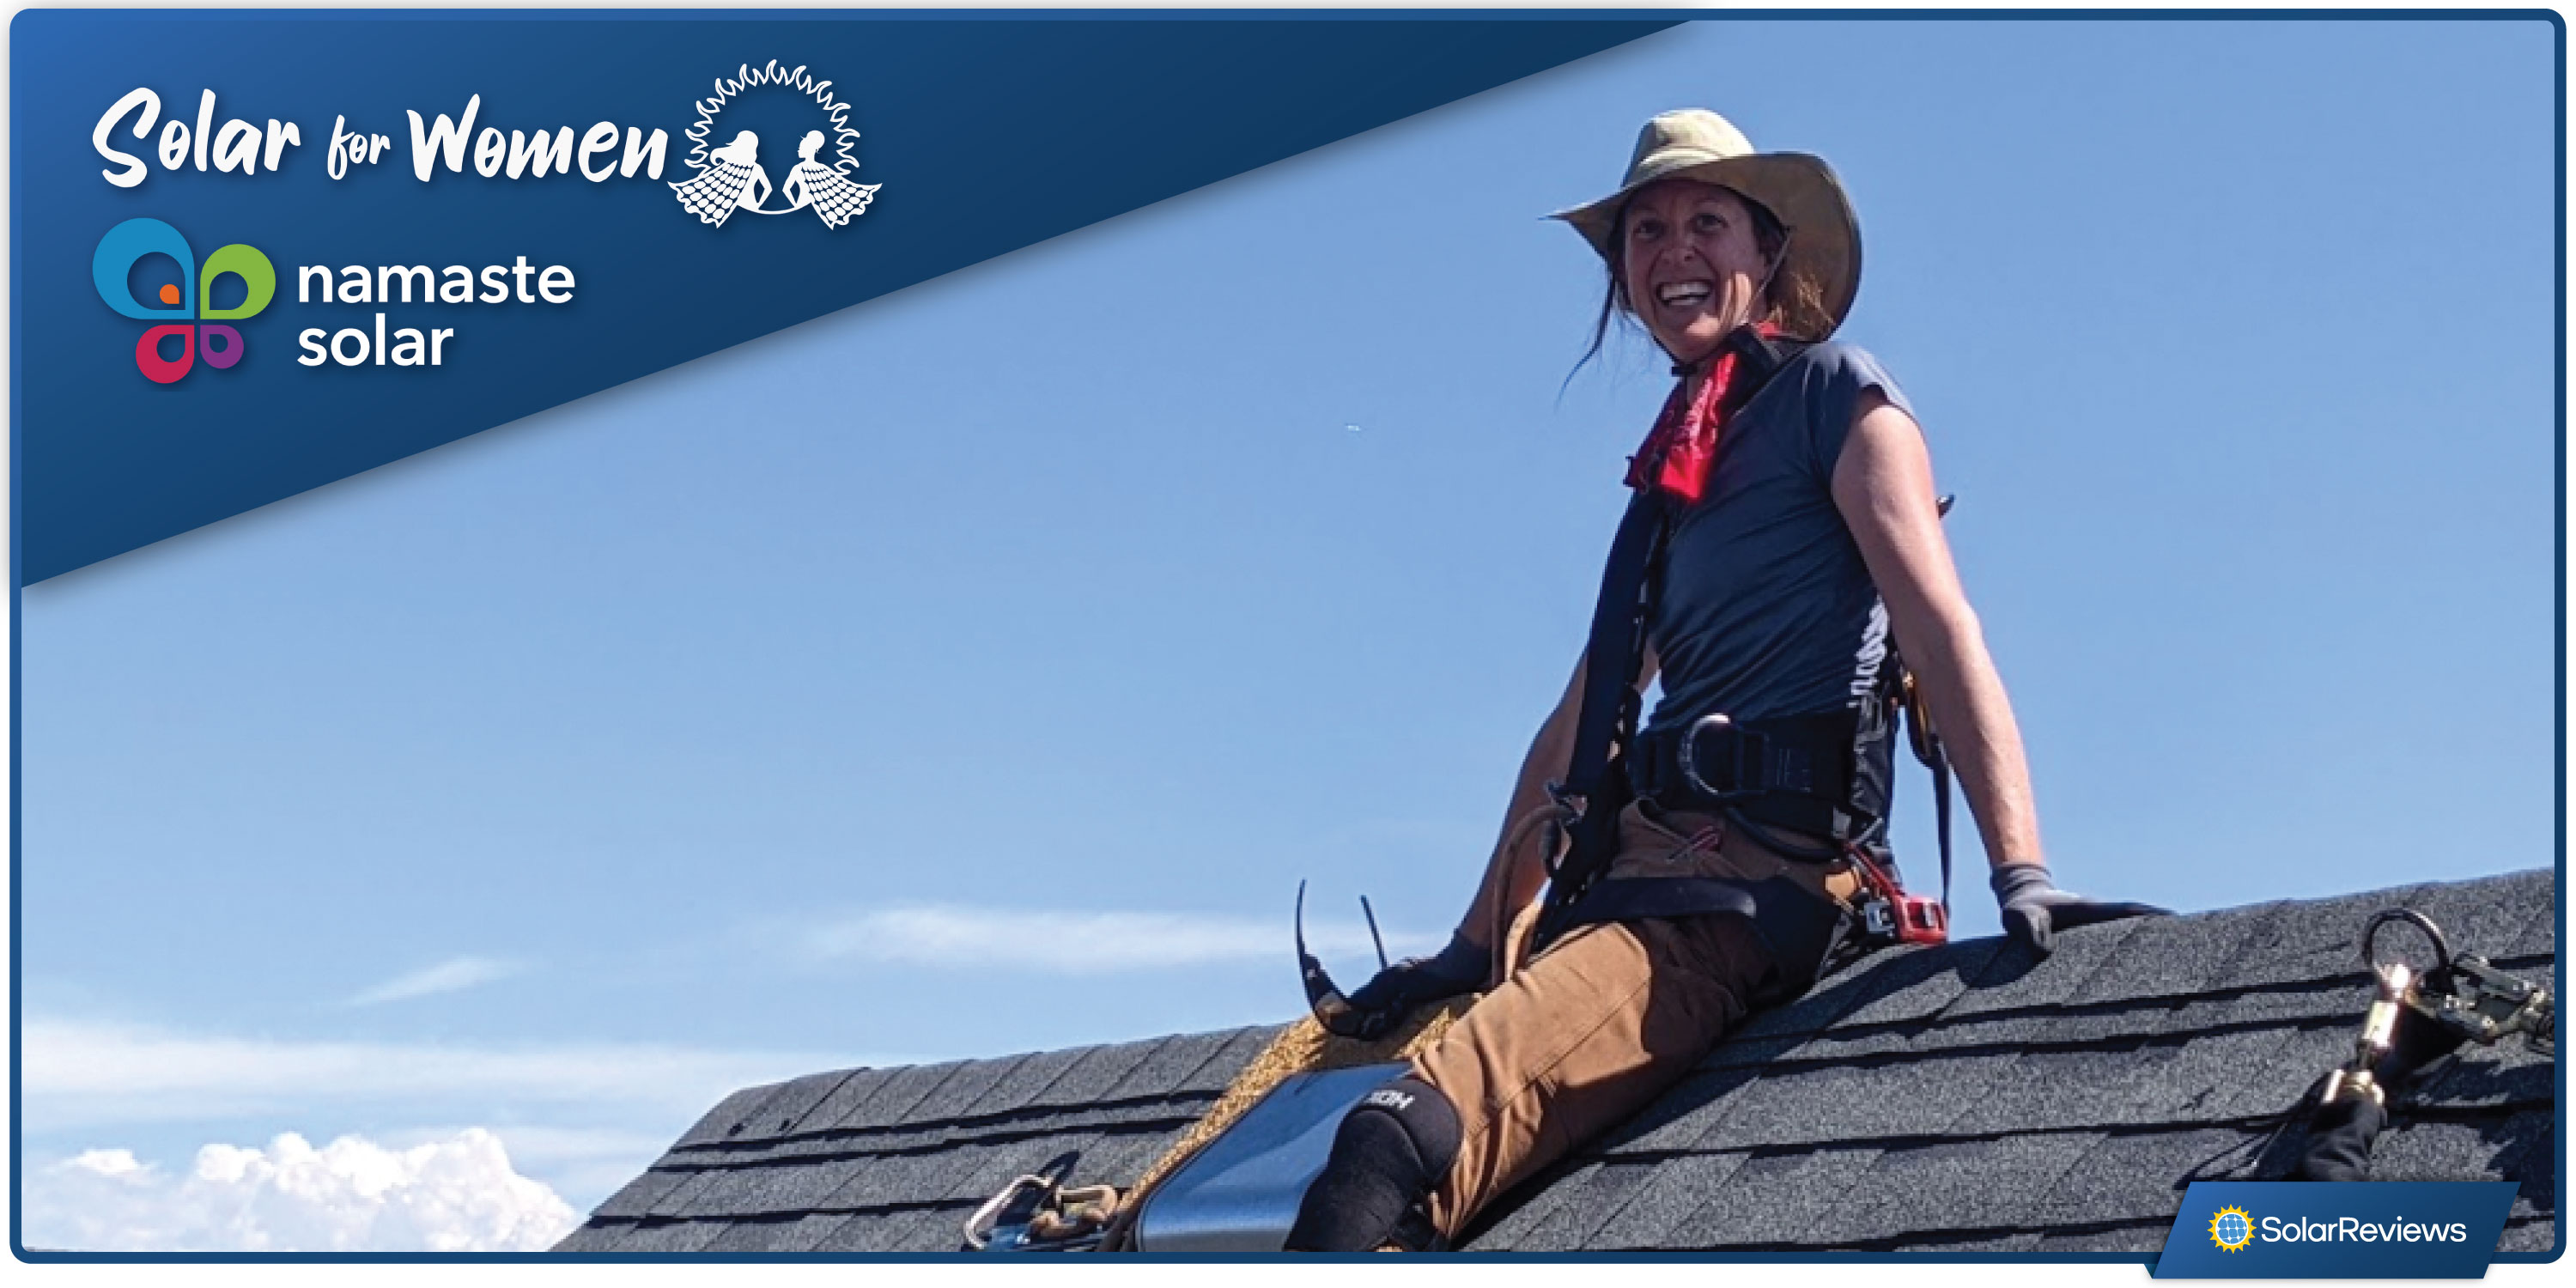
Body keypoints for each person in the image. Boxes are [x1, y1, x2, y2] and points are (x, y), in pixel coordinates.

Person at [1282, 108, 2160, 1253]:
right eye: (1644, 232)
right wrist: (1468, 944)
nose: (1671, 251)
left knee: (1389, 1142)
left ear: (1768, 254)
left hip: (1740, 899)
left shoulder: (1839, 395)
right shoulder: (1676, 460)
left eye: (1707, 222)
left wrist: (2023, 869)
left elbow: (1940, 628)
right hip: (1640, 885)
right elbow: (1579, 723)